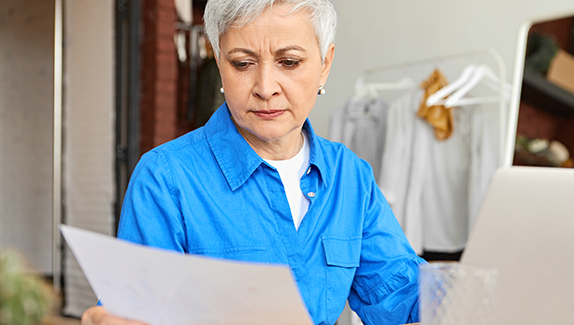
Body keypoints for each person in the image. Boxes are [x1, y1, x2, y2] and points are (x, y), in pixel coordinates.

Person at [81, 0, 426, 324]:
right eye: (242, 63)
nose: (265, 87)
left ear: (325, 64)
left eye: (289, 62)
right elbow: (135, 310)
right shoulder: (166, 180)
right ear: (219, 62)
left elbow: (402, 297)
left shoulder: (350, 179)